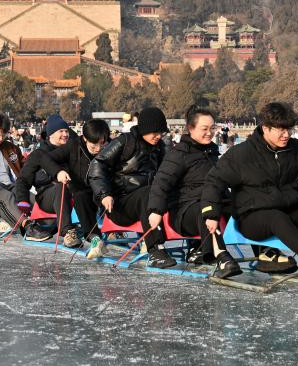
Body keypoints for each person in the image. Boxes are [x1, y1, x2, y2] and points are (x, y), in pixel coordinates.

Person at [200, 102, 298, 275]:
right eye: (281, 130)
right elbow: (214, 180)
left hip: (290, 210)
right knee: (276, 217)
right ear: (265, 128)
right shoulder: (241, 154)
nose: (286, 135)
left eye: (289, 130)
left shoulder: (296, 149)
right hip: (253, 217)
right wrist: (210, 213)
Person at [146, 106, 241, 279]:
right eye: (204, 129)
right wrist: (155, 210)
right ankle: (222, 256)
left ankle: (266, 253)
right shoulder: (179, 153)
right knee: (205, 210)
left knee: (247, 204)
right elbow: (161, 182)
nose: (209, 133)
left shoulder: (211, 151)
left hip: (213, 202)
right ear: (190, 129)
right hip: (186, 211)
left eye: (212, 128)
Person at [87, 106, 173, 268]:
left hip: (148, 205)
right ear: (144, 129)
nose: (158, 136)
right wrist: (104, 194)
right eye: (155, 132)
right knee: (149, 193)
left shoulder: (161, 147)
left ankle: (198, 248)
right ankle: (155, 250)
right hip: (121, 205)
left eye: (161, 132)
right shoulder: (125, 141)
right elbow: (97, 164)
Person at [45, 119, 110, 258]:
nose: (98, 149)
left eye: (102, 144)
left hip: (106, 189)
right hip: (82, 190)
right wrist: (58, 172)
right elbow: (47, 160)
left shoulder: (112, 148)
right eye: (94, 146)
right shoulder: (73, 146)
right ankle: (94, 238)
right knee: (81, 196)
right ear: (85, 138)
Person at [14, 115, 82, 246]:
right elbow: (23, 179)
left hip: (73, 193)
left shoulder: (71, 151)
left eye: (66, 131)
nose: (65, 134)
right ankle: (67, 232)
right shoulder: (38, 154)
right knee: (60, 187)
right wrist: (23, 200)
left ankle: (104, 229)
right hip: (47, 196)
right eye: (60, 131)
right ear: (50, 134)